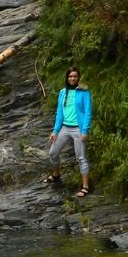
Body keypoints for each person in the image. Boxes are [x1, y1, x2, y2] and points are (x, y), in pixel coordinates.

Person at [46, 66, 92, 197]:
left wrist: (85, 131)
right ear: (67, 77)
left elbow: (88, 112)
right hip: (65, 128)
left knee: (81, 157)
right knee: (53, 153)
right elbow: (59, 113)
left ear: (78, 77)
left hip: (78, 128)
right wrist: (55, 130)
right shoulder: (62, 92)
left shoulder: (84, 92)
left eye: (75, 76)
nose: (72, 78)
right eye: (70, 76)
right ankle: (56, 175)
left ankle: (85, 186)